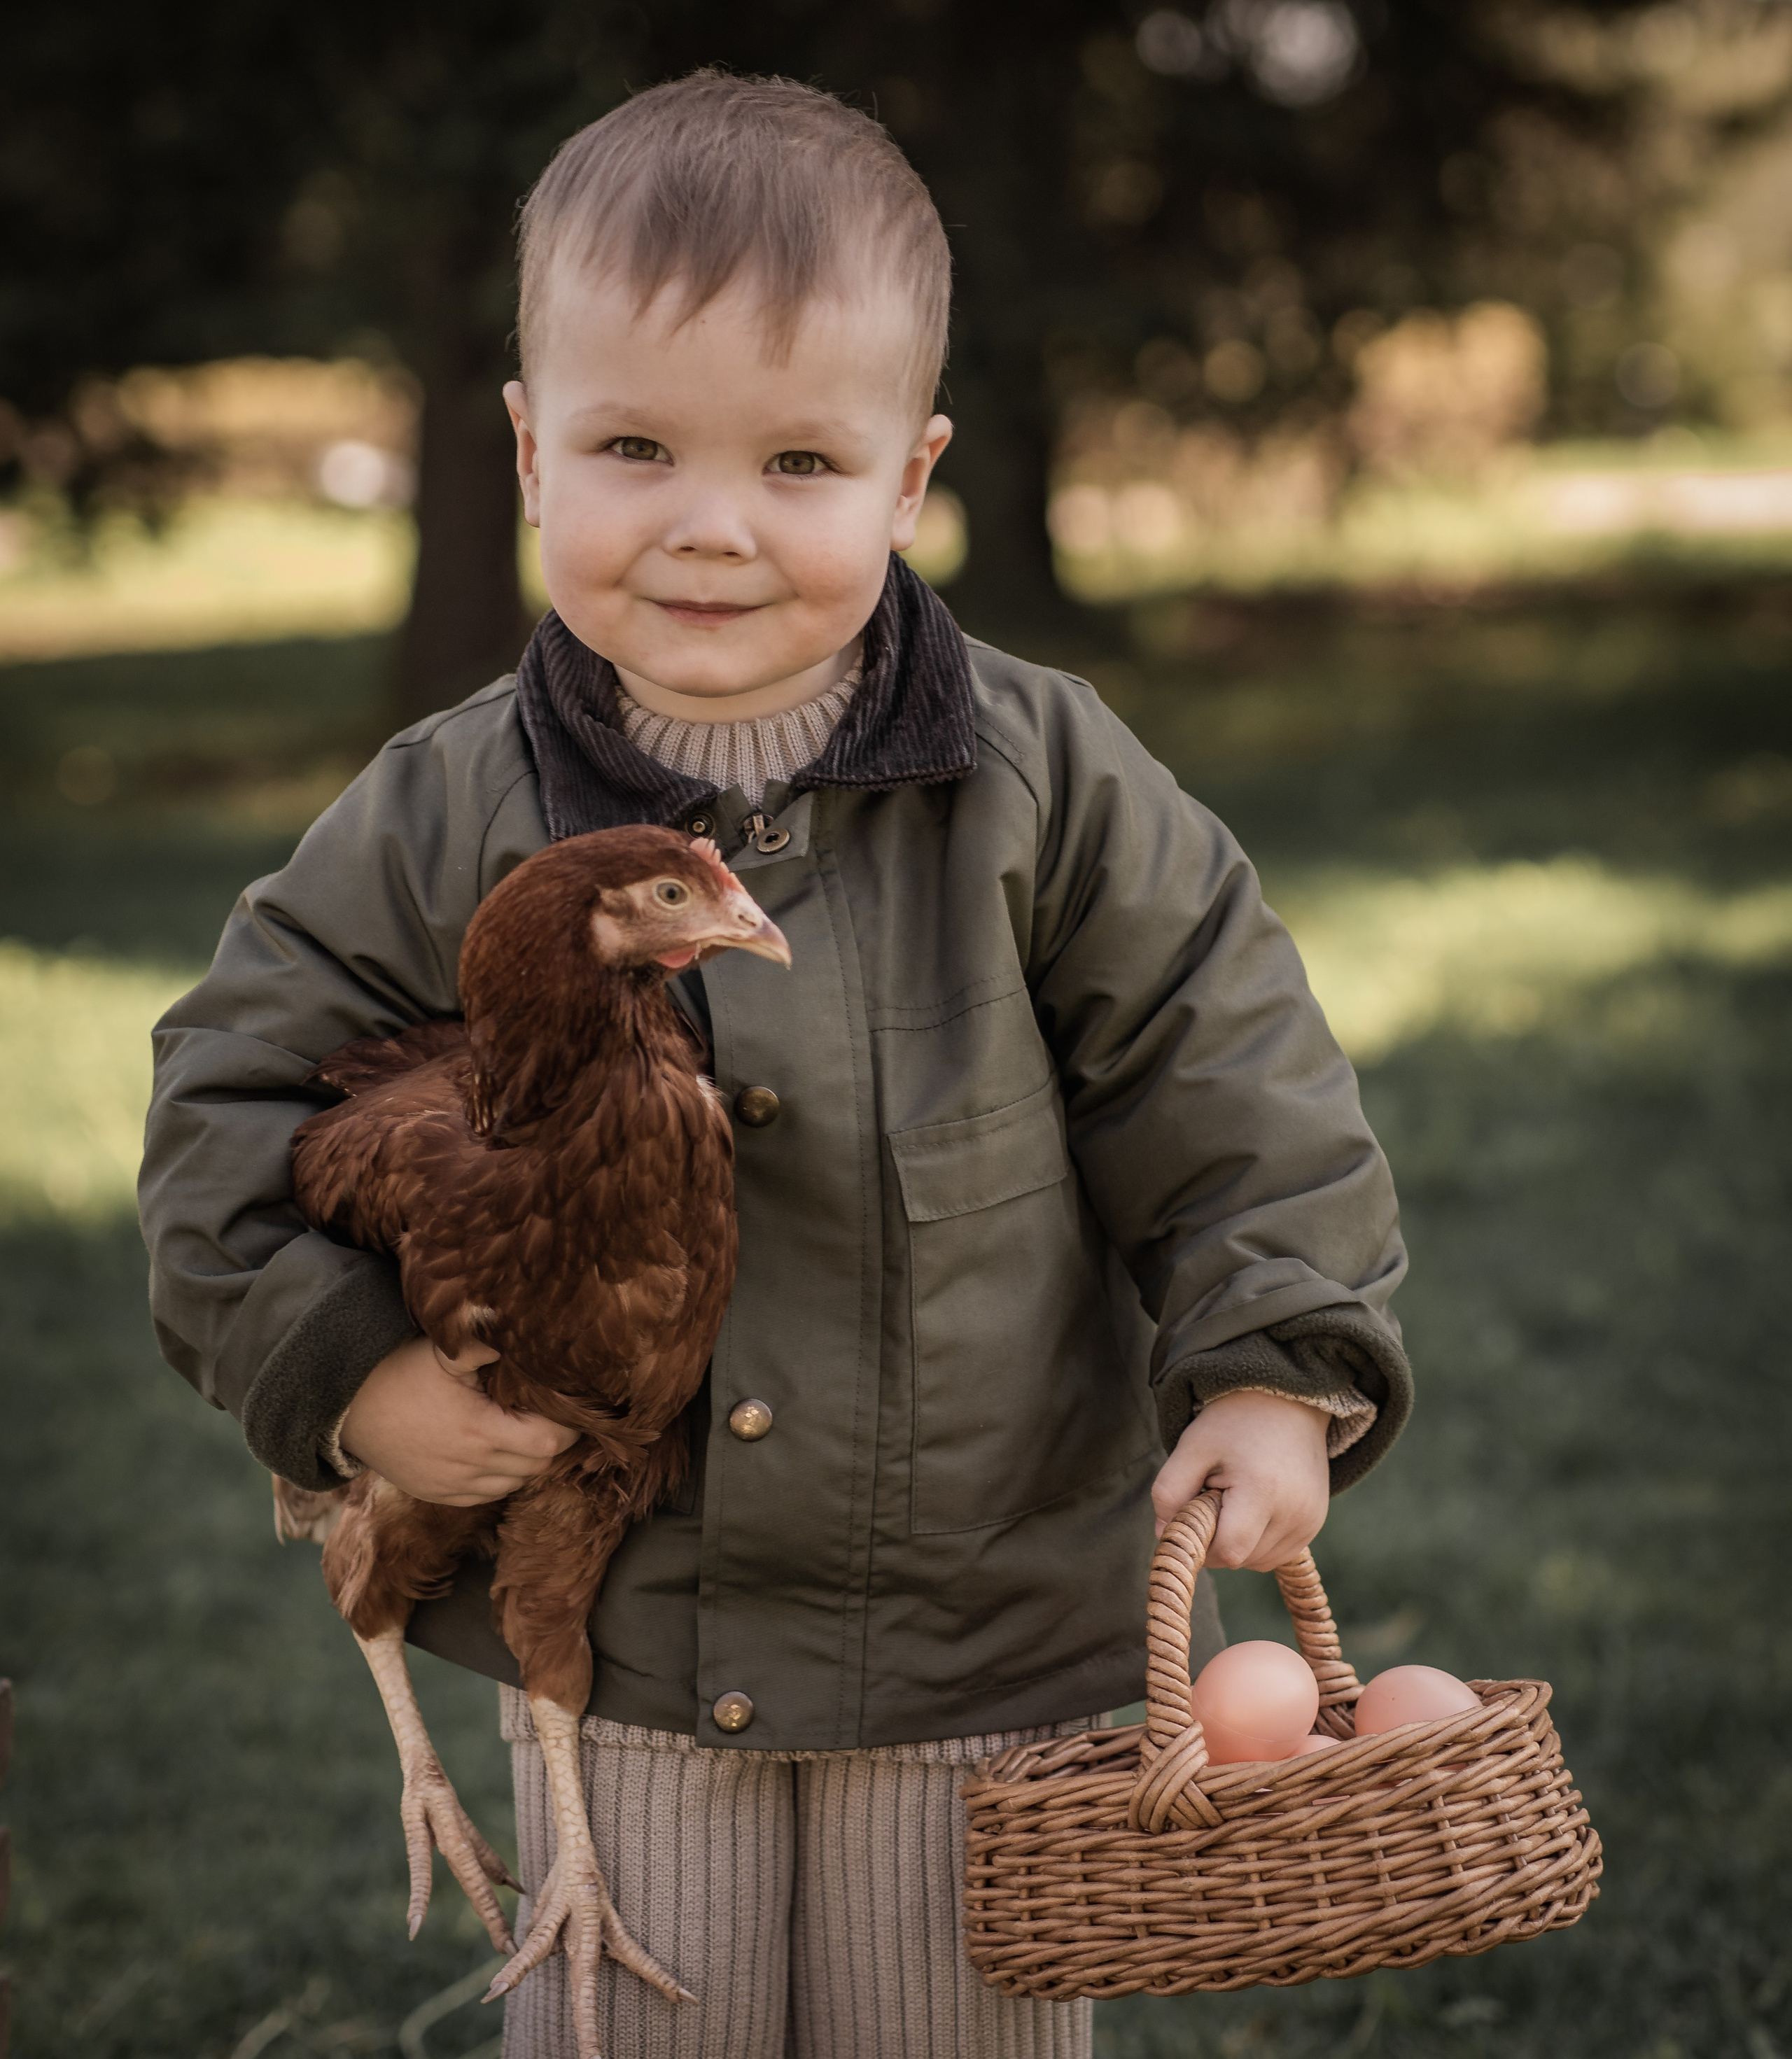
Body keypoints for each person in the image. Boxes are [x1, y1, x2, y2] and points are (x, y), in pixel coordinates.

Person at [139, 68, 1412, 2059]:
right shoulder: (442, 804)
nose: (713, 528)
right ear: (528, 450)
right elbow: (223, 1104)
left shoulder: (1041, 778)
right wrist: (345, 1370)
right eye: (636, 443)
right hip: (624, 1638)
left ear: (911, 479)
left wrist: (1270, 1363)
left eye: (801, 465)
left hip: (984, 1644)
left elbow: (1227, 1073)